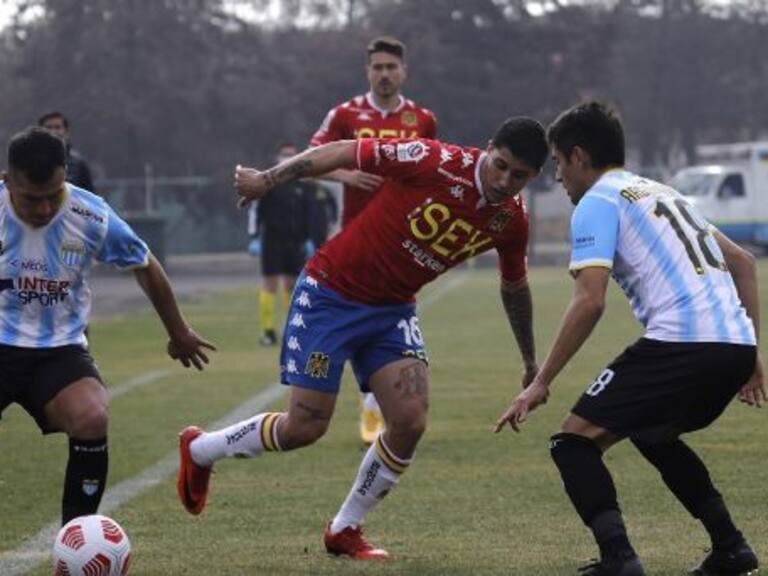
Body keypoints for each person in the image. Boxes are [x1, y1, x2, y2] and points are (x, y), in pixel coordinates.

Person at [178, 118, 549, 559]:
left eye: (519, 176)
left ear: (534, 178)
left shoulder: (513, 221)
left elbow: (514, 287)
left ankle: (345, 528)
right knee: (304, 428)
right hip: (330, 297)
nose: (504, 181)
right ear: (489, 148)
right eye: (500, 165)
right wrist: (268, 179)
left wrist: (530, 361)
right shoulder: (435, 160)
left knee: (410, 421)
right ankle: (200, 450)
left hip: (392, 313)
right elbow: (345, 151)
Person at [495, 102, 764, 576]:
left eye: (557, 162)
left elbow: (589, 301)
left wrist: (541, 381)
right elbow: (742, 262)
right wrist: (752, 351)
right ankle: (731, 547)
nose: (556, 177)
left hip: (683, 342)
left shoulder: (598, 200)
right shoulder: (664, 193)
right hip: (732, 345)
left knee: (572, 443)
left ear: (578, 156)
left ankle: (619, 560)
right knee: (653, 433)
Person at [0, 127, 215, 526]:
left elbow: (145, 266)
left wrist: (179, 332)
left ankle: (76, 538)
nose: (46, 209)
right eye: (33, 198)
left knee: (92, 417)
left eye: (55, 195)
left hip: (58, 350)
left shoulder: (90, 214)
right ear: (7, 179)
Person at [310, 35, 438, 445]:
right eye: (377, 67)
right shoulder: (345, 115)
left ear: (404, 71)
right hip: (355, 241)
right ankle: (370, 403)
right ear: (368, 71)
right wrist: (345, 174)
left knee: (392, 319)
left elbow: (434, 169)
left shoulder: (422, 119)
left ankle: (382, 401)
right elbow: (312, 157)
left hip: (403, 244)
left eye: (391, 67)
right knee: (353, 318)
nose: (384, 74)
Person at [247, 142, 337, 346]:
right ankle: (268, 331)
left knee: (292, 285)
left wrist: (308, 240)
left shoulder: (303, 186)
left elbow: (308, 215)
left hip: (296, 241)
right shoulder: (268, 182)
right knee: (270, 284)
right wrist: (254, 237)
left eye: (292, 155)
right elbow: (255, 210)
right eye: (284, 155)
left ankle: (291, 329)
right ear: (277, 157)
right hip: (272, 239)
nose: (287, 159)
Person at [38, 111, 96, 193]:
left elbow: (88, 197)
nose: (53, 132)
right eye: (48, 127)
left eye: (57, 127)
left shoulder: (79, 164)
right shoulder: (30, 161)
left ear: (66, 131)